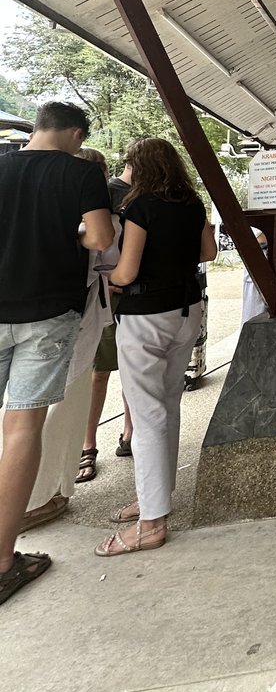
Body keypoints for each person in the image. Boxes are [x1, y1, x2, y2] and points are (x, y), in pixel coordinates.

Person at [0, 103, 114, 604]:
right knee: (23, 428)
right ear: (75, 133)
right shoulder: (80, 173)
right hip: (48, 313)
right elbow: (101, 237)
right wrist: (73, 231)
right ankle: (3, 560)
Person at [96, 138, 216, 557]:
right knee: (167, 404)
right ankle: (156, 497)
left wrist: (110, 278)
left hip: (145, 315)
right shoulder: (193, 203)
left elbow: (127, 272)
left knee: (147, 414)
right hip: (187, 310)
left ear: (138, 166)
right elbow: (208, 251)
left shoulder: (140, 207)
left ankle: (151, 523)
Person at [21, 147, 119, 529]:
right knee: (59, 410)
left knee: (30, 412)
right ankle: (39, 496)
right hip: (72, 323)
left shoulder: (39, 212)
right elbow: (109, 261)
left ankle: (42, 492)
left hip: (32, 318)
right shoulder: (95, 225)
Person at [77, 161, 133, 481]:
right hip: (99, 302)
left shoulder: (125, 205)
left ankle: (128, 432)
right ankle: (88, 444)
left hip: (125, 299)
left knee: (129, 370)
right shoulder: (96, 205)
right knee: (98, 373)